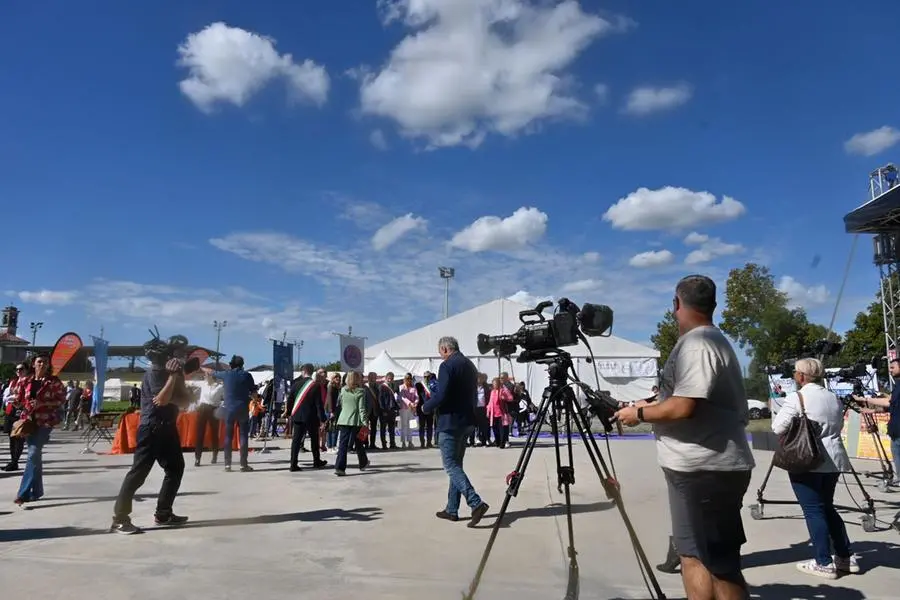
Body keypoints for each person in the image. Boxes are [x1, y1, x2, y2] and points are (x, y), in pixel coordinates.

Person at [615, 275, 755, 599]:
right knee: (692, 557)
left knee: (721, 566)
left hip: (706, 469)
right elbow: (684, 399)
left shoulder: (699, 343)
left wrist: (637, 415)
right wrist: (646, 405)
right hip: (696, 469)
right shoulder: (705, 341)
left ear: (676, 304)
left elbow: (684, 406)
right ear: (713, 304)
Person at [775, 358, 857, 578]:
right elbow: (839, 425)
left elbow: (777, 427)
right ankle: (845, 555)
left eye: (795, 372)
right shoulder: (833, 398)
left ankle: (823, 561)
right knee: (827, 507)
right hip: (834, 458)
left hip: (808, 458)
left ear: (801, 376)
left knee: (813, 510)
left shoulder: (797, 397)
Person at [111, 349, 193, 534]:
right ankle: (120, 519)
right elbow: (162, 400)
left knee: (175, 468)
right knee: (138, 474)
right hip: (152, 428)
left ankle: (163, 513)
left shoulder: (173, 374)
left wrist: (177, 378)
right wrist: (173, 378)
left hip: (168, 427)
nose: (179, 361)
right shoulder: (156, 372)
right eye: (177, 357)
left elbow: (185, 401)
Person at [422, 336, 489, 526]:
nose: (440, 356)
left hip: (450, 422)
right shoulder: (469, 365)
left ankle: (476, 503)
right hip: (467, 420)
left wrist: (426, 407)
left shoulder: (447, 366)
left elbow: (442, 395)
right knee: (457, 466)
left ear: (444, 349)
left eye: (440, 352)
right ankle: (452, 509)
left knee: (450, 465)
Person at [13, 354, 66, 506]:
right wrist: (17, 402)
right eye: (39, 362)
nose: (42, 364)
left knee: (33, 453)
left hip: (46, 422)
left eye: (45, 362)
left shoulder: (54, 382)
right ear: (34, 364)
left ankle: (22, 494)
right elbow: (19, 398)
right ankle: (37, 491)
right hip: (28, 422)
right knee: (34, 456)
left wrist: (42, 403)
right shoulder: (25, 381)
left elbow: (61, 399)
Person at [853, 357, 900, 487]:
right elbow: (892, 406)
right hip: (896, 433)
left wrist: (865, 399)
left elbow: (888, 402)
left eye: (892, 367)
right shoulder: (897, 385)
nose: (890, 370)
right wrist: (872, 411)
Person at [207, 355, 258, 472]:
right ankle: (243, 464)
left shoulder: (226, 374)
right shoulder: (247, 375)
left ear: (231, 364)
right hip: (243, 408)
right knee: (243, 435)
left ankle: (227, 464)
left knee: (228, 436)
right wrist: (254, 400)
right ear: (242, 365)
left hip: (229, 409)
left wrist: (202, 368)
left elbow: (212, 373)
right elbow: (254, 393)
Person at [287, 363, 327, 472]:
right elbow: (319, 404)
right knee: (314, 440)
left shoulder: (295, 384)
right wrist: (322, 418)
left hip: (298, 416)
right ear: (311, 372)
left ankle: (293, 464)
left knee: (296, 441)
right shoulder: (315, 385)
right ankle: (316, 461)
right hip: (311, 417)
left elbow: (290, 400)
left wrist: (289, 414)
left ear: (303, 371)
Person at [334, 371, 370, 475]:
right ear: (356, 379)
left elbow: (340, 403)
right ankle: (363, 463)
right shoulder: (361, 391)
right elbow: (361, 409)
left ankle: (340, 468)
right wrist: (365, 422)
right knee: (359, 442)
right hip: (355, 420)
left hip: (343, 419)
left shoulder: (343, 390)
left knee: (343, 444)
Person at [193, 371, 224, 467]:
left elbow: (226, 397)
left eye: (206, 375)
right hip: (203, 409)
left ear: (211, 377)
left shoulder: (220, 387)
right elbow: (191, 383)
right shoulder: (203, 384)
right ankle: (197, 458)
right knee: (200, 434)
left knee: (214, 433)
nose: (204, 376)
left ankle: (215, 455)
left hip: (214, 409)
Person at [2, 363, 29, 472]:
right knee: (11, 438)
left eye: (21, 369)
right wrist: (13, 396)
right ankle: (13, 461)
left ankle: (15, 462)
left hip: (21, 411)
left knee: (19, 437)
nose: (18, 371)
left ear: (26, 370)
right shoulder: (13, 382)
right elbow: (5, 397)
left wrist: (14, 397)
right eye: (17, 369)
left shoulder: (28, 382)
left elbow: (25, 397)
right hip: (10, 411)